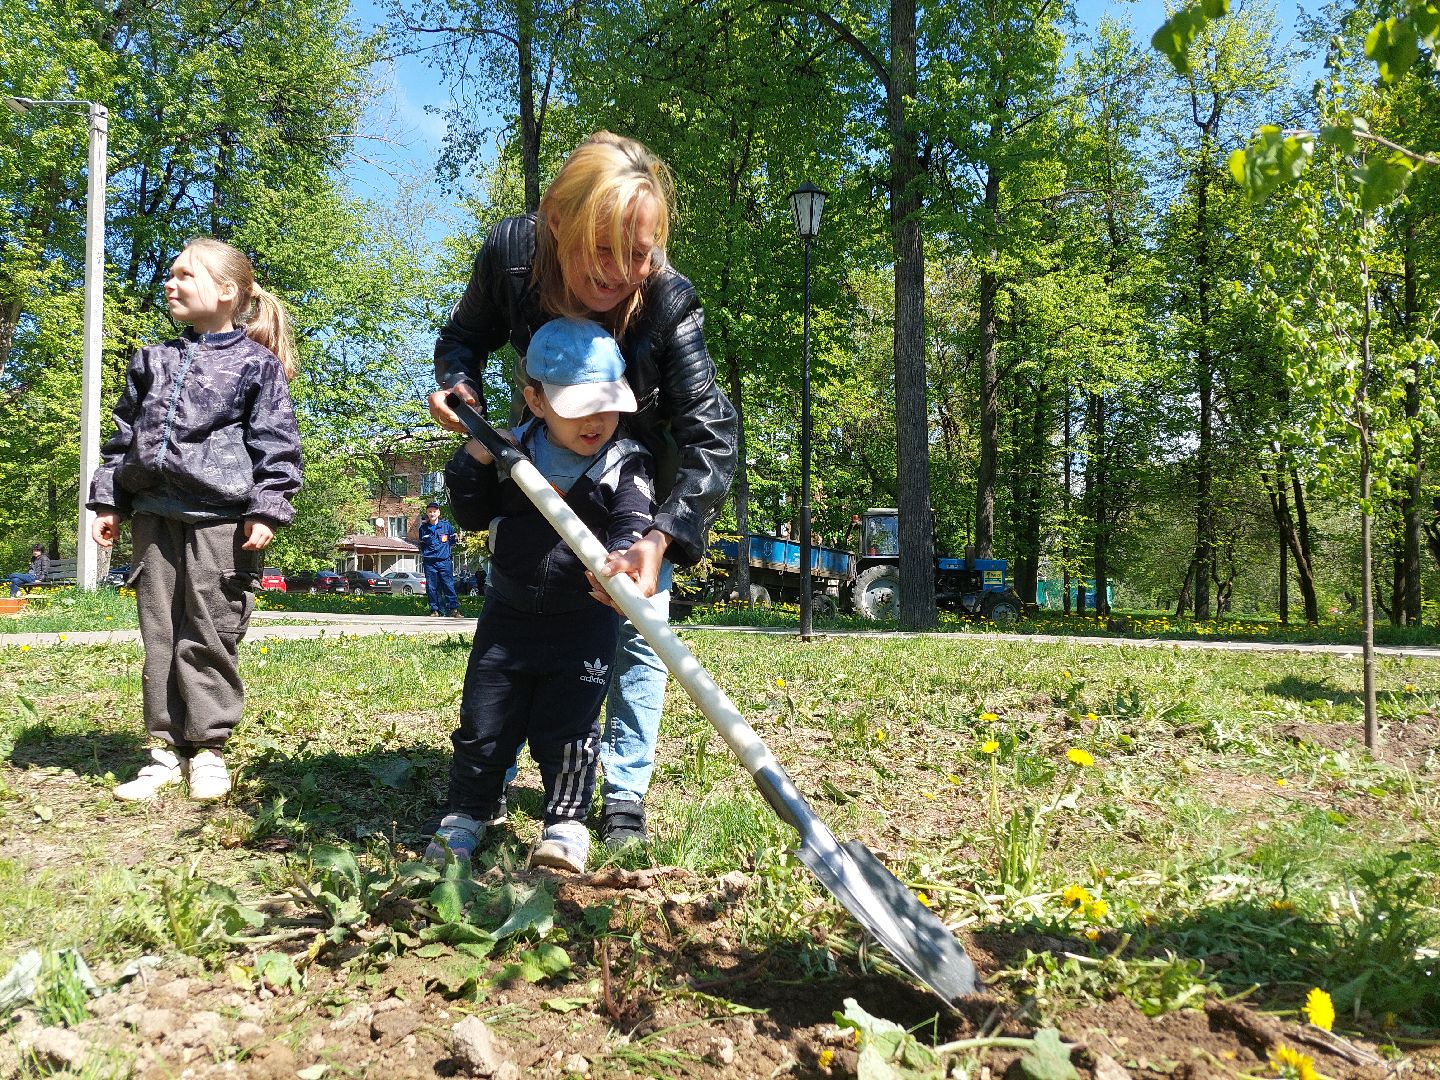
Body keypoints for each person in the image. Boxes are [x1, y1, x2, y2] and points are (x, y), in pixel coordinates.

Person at [429, 132, 738, 846]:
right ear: (555, 222)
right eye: (604, 249)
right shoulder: (510, 254)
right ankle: (488, 783)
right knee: (521, 617)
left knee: (636, 636)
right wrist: (460, 389)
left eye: (640, 251)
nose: (622, 272)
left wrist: (661, 535)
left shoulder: (665, 299)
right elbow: (462, 339)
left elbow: (710, 433)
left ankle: (623, 794)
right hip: (541, 462)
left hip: (635, 473)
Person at [427, 318, 656, 873]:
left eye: (608, 404)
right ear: (534, 398)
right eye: (579, 408)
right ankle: (467, 813)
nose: (597, 420)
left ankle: (566, 822)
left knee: (571, 730)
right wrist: (475, 460)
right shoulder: (511, 450)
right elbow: (470, 511)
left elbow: (632, 520)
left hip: (582, 623)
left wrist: (626, 556)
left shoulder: (625, 460)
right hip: (507, 617)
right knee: (484, 723)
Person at [88, 238, 303, 802]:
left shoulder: (256, 366)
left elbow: (277, 446)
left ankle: (207, 748)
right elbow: (122, 438)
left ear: (227, 292)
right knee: (160, 630)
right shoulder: (152, 359)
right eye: (170, 273)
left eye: (186, 275)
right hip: (154, 517)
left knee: (210, 628)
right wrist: (111, 500)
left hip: (221, 522)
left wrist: (266, 509)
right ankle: (162, 750)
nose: (170, 283)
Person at [417, 501, 462, 617]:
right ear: (427, 513)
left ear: (438, 512)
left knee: (448, 585)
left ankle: (454, 610)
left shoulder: (447, 526)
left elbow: (452, 541)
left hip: (444, 562)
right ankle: (435, 610)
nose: (432, 514)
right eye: (430, 512)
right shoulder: (423, 529)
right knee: (432, 587)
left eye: (434, 511)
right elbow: (422, 545)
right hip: (429, 563)